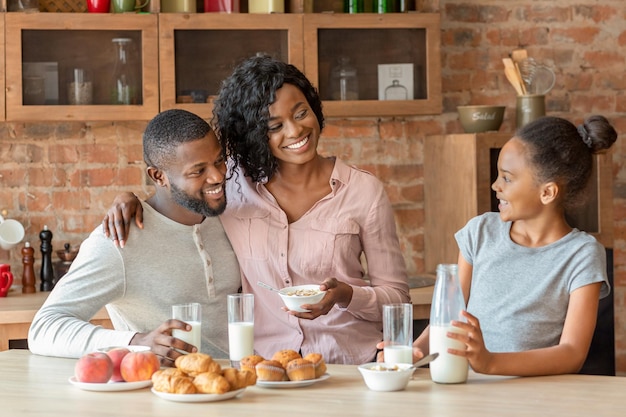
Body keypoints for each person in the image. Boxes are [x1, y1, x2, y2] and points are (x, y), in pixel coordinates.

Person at [103, 54, 410, 364]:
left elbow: (397, 299)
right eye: (274, 126)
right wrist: (130, 199)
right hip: (264, 369)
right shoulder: (233, 184)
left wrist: (346, 294)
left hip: (349, 364)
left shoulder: (362, 191)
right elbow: (181, 190)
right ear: (253, 134)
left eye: (301, 113)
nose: (295, 132)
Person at [385, 115, 617, 376]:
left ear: (547, 192)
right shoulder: (480, 231)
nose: (495, 186)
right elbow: (449, 318)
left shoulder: (581, 254)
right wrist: (413, 352)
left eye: (507, 178)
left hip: (536, 397)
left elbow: (572, 353)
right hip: (466, 386)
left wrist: (491, 363)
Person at [28, 109, 241, 366]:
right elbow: (44, 328)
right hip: (164, 394)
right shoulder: (119, 241)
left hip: (237, 385)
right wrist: (136, 343)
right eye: (198, 171)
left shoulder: (230, 217)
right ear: (158, 176)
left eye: (219, 160)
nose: (218, 176)